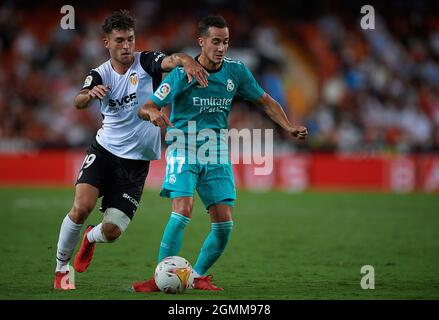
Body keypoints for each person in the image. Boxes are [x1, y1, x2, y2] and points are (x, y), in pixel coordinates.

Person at [132, 15, 308, 292]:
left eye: (225, 42)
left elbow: (265, 101)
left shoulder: (236, 71)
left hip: (216, 153)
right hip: (184, 147)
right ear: (201, 42)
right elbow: (147, 106)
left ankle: (198, 275)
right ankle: (160, 278)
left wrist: (287, 125)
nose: (221, 47)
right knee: (183, 210)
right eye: (215, 42)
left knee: (224, 224)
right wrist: (153, 112)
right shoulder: (182, 74)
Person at [53, 10, 209, 290]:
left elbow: (173, 60)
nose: (127, 46)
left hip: (136, 164)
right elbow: (78, 101)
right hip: (104, 152)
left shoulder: (147, 62)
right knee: (80, 208)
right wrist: (88, 95)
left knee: (112, 232)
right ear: (107, 43)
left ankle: (90, 238)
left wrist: (187, 61)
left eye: (131, 39)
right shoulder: (99, 74)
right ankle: (61, 269)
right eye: (120, 40)